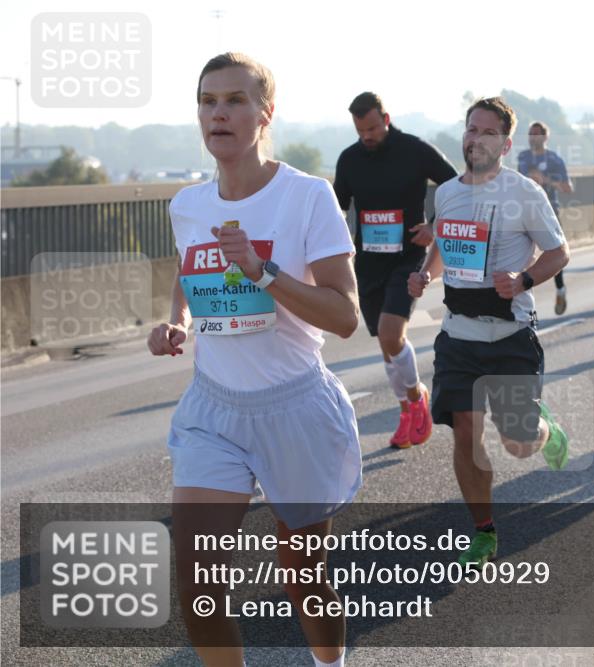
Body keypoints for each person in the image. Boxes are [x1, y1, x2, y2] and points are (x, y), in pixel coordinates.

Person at [149, 53, 361, 667]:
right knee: (199, 585)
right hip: (214, 410)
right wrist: (177, 322)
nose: (219, 112)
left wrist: (262, 271)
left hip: (294, 405)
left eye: (235, 100)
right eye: (208, 100)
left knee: (303, 578)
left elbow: (345, 317)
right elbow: (191, 276)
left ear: (265, 113)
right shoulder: (187, 204)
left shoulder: (307, 197)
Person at [408, 97, 571, 568]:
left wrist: (522, 280)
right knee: (465, 432)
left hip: (511, 334)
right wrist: (426, 274)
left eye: (485, 132)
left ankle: (545, 430)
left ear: (505, 143)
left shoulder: (524, 193)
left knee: (518, 443)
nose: (473, 138)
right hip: (458, 336)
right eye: (469, 129)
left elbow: (559, 254)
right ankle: (483, 530)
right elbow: (444, 243)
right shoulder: (447, 194)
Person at [334, 92, 457, 450]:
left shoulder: (415, 150)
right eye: (361, 130)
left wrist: (434, 225)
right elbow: (336, 207)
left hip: (408, 256)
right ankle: (407, 410)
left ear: (385, 119)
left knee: (391, 332)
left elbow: (453, 185)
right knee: (386, 345)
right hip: (369, 261)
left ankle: (417, 399)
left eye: (372, 127)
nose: (367, 136)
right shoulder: (350, 159)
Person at [517, 121, 574, 315]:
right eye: (530, 134)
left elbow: (568, 188)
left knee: (553, 252)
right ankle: (519, 293)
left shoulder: (555, 160)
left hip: (549, 212)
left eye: (537, 134)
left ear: (545, 137)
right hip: (524, 212)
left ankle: (560, 288)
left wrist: (546, 180)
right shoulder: (523, 158)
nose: (533, 137)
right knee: (519, 253)